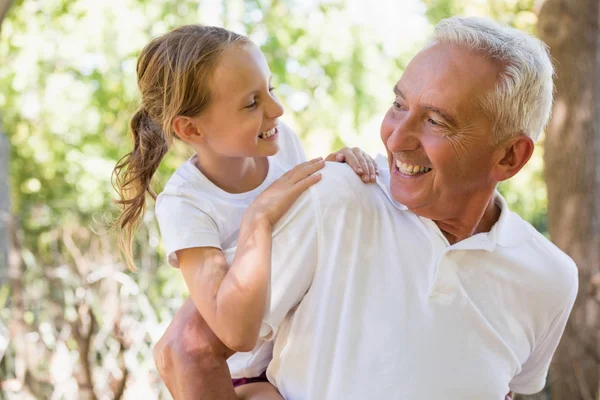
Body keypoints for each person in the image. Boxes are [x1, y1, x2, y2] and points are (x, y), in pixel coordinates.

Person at [153, 17, 579, 400]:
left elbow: (508, 388)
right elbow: (185, 350)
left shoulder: (550, 278)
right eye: (399, 105)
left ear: (509, 157)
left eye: (436, 121)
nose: (396, 139)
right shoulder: (333, 196)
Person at [111, 25, 379, 400]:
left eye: (271, 89)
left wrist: (333, 171)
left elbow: (305, 228)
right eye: (252, 103)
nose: (277, 109)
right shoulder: (185, 203)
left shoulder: (283, 142)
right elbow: (234, 333)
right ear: (190, 128)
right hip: (247, 376)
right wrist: (258, 219)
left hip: (302, 344)